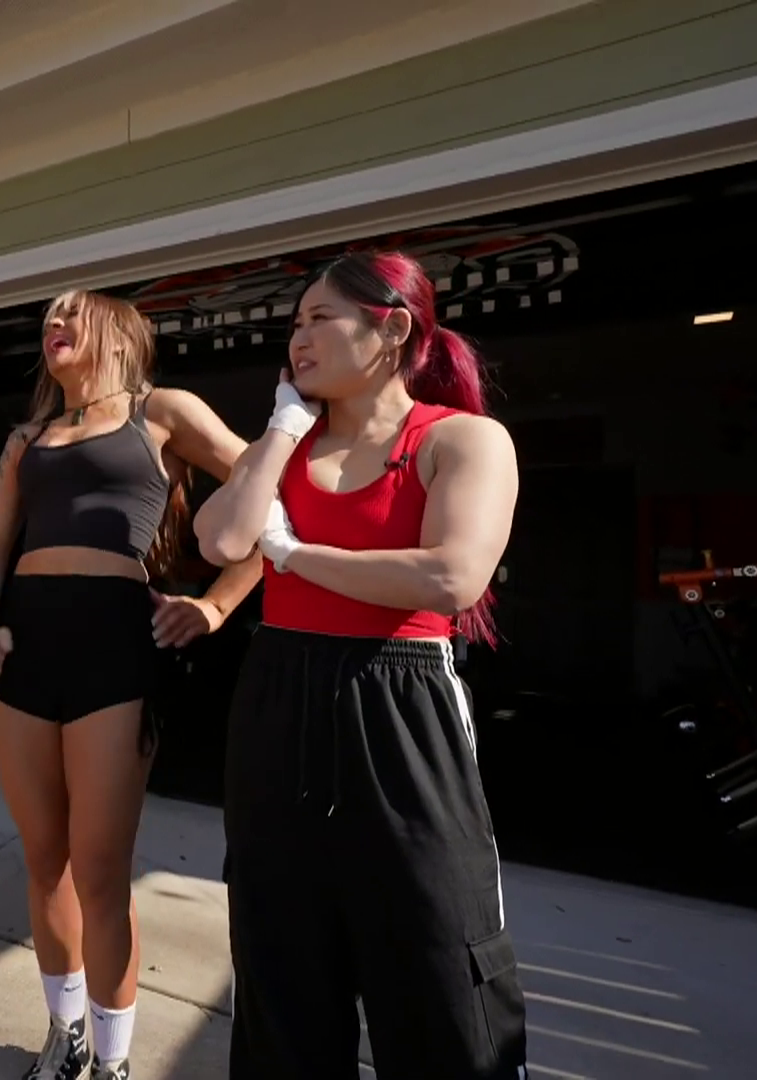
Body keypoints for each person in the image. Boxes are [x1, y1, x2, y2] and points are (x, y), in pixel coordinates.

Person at [192, 250, 527, 1079]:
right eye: (295, 323)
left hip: (401, 698)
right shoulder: (285, 449)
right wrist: (281, 428)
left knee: (439, 968)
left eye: (321, 319)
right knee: (281, 972)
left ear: (393, 329)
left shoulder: (461, 439)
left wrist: (294, 556)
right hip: (278, 698)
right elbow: (223, 540)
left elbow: (449, 576)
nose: (298, 338)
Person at [0, 290, 264, 1080]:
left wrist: (215, 605)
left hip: (114, 648)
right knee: (45, 864)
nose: (54, 325)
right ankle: (63, 1039)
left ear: (120, 333)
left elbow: (272, 496)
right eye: (47, 319)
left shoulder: (161, 411)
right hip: (25, 649)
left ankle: (112, 1061)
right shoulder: (27, 439)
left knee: (99, 871)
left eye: (73, 313)